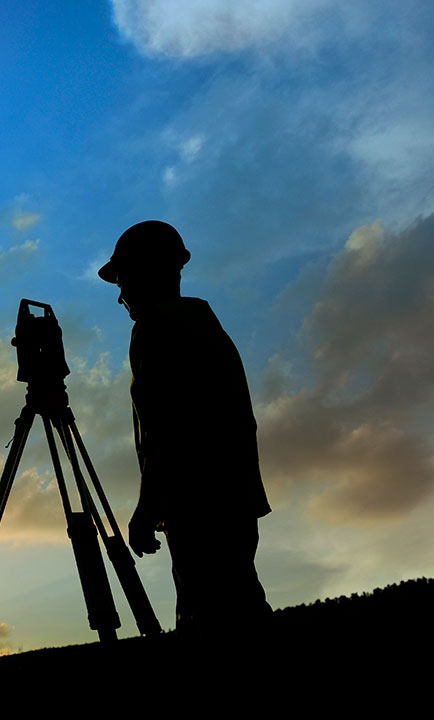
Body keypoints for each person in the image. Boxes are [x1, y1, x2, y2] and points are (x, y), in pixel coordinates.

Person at [98, 220, 272, 637]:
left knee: (212, 618)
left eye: (124, 282)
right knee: (241, 607)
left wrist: (146, 507)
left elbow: (166, 428)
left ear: (147, 274)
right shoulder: (202, 323)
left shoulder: (156, 329)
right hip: (231, 499)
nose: (121, 297)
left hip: (199, 504)